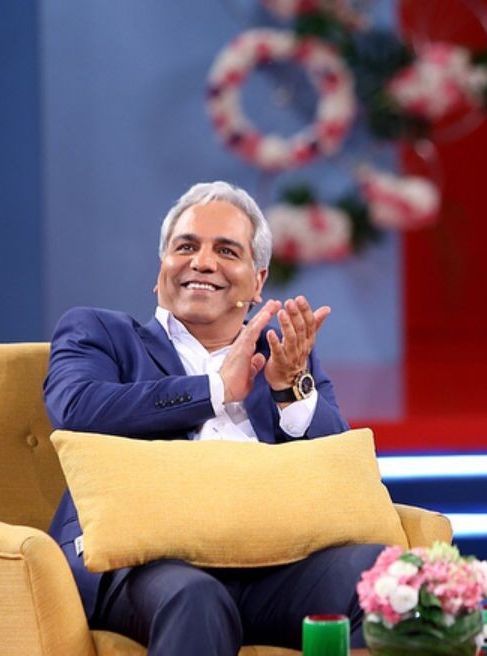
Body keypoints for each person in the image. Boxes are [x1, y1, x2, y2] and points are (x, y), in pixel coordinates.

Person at [43, 181, 382, 655]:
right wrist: (216, 390)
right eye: (186, 247)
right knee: (196, 598)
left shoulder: (283, 356)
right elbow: (77, 408)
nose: (202, 262)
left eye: (226, 250)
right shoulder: (103, 333)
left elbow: (340, 474)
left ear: (258, 281)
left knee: (383, 577)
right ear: (161, 268)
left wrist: (289, 392)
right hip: (142, 565)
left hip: (271, 570)